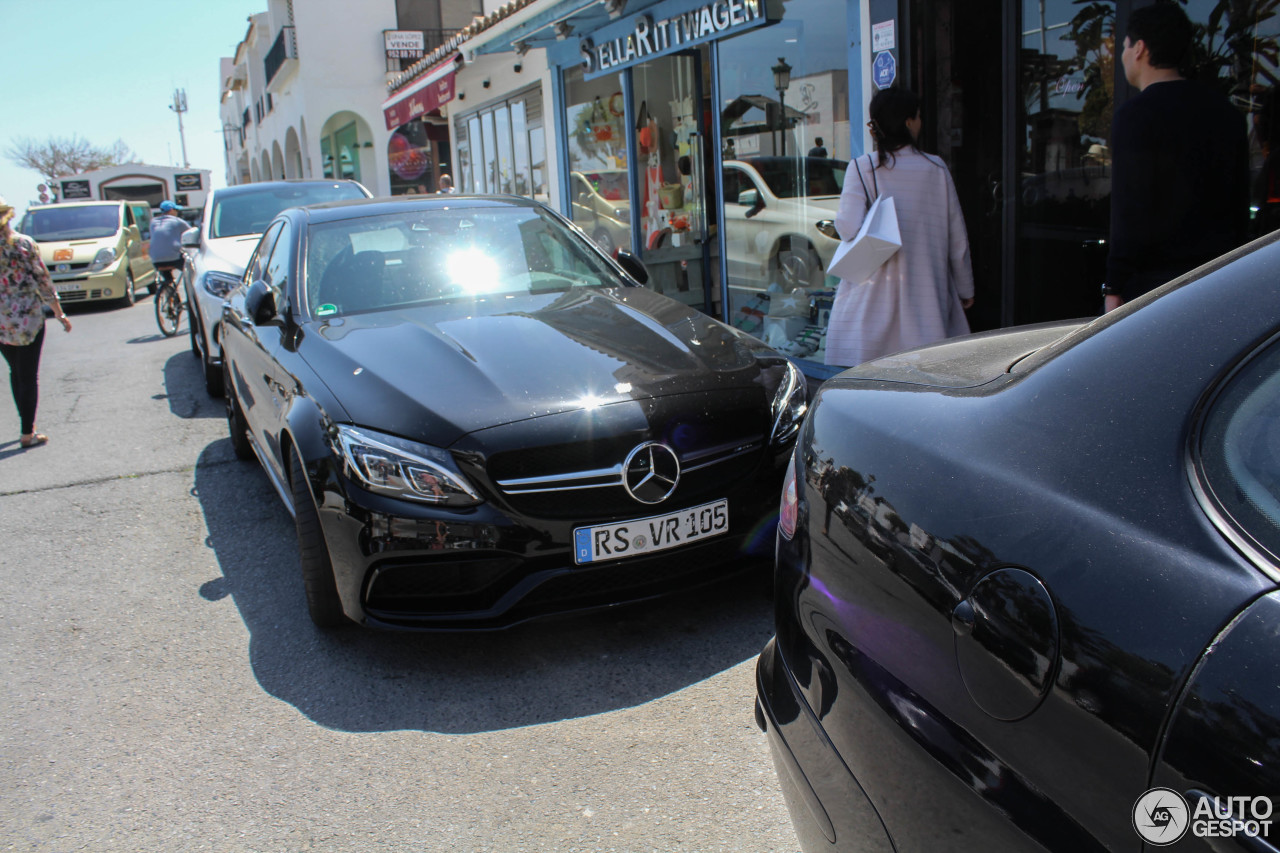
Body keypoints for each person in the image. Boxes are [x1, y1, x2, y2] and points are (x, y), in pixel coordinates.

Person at [1103, 3, 1249, 312]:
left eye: (1125, 45)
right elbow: (1240, 207)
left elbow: (1130, 210)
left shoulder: (1135, 117)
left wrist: (1114, 286)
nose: (1123, 54)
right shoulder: (1228, 114)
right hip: (1220, 281)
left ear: (1139, 48)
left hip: (1153, 291)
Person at [824, 88, 975, 368]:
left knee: (873, 387)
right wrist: (965, 289)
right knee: (925, 381)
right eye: (917, 116)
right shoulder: (936, 169)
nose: (920, 122)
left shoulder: (861, 168)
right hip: (926, 303)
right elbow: (958, 242)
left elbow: (846, 229)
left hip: (871, 306)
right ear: (908, 122)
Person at [0, 195, 72, 448]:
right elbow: (43, 281)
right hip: (29, 318)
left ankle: (26, 427)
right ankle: (27, 432)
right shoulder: (23, 243)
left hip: (2, 323)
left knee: (16, 372)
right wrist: (59, 312)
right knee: (29, 375)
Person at [149, 200, 188, 289]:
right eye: (176, 210)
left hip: (156, 259)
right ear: (171, 210)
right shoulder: (177, 221)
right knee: (189, 272)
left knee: (166, 275)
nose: (177, 212)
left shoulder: (153, 222)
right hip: (174, 258)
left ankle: (168, 288)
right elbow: (192, 232)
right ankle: (190, 296)